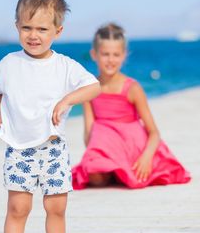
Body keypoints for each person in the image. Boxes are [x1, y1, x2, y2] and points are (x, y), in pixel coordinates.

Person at [0, 0, 100, 233]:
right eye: (26, 27)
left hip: (53, 148)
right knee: (18, 207)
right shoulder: (9, 64)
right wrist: (2, 112)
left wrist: (67, 100)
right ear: (16, 27)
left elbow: (94, 86)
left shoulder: (64, 66)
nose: (33, 35)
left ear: (57, 31)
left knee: (56, 206)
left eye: (42, 29)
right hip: (19, 149)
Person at [72, 23, 191, 190]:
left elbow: (154, 132)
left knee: (131, 174)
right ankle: (112, 168)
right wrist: (95, 156)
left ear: (124, 55)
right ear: (94, 54)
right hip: (105, 145)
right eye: (105, 54)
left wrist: (146, 158)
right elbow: (89, 133)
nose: (110, 60)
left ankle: (120, 168)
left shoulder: (132, 88)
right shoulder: (89, 89)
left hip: (133, 147)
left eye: (116, 55)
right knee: (94, 175)